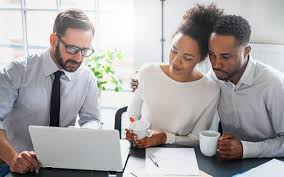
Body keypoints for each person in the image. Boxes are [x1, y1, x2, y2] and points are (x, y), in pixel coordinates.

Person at [0, 9, 102, 174]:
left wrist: (83, 132)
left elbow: (93, 119)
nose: (78, 58)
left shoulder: (87, 78)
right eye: (72, 49)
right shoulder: (18, 71)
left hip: (63, 163)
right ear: (53, 40)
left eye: (85, 50)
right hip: (14, 162)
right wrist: (13, 158)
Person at [125, 4, 223, 148]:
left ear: (201, 58)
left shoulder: (210, 90)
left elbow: (196, 138)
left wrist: (164, 137)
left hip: (181, 158)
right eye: (174, 50)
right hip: (141, 153)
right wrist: (131, 129)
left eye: (187, 57)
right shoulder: (146, 72)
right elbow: (132, 116)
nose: (176, 61)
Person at [208, 15, 284, 160]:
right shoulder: (213, 78)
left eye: (225, 57)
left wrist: (246, 149)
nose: (216, 64)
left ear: (246, 51)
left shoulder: (273, 84)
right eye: (212, 55)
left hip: (269, 163)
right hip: (229, 161)